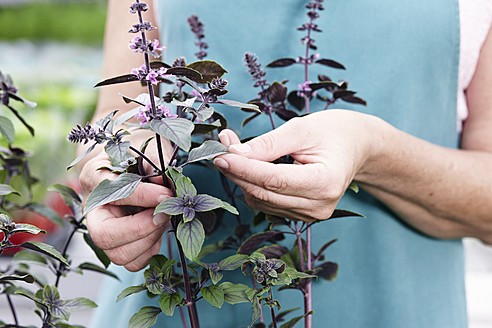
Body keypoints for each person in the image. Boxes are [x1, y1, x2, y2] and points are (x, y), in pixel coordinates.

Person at [80, 0, 492, 327]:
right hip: (178, 301)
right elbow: (121, 109)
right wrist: (111, 169)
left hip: (393, 308)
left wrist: (372, 151)